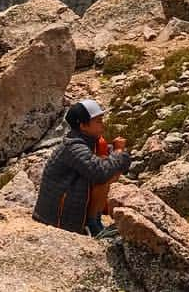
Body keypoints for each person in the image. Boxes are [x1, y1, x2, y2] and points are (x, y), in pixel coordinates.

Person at [32, 98, 132, 238]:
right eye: (98, 121)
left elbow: (121, 166)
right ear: (83, 126)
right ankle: (93, 223)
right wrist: (118, 152)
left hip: (71, 210)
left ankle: (93, 221)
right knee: (105, 168)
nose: (102, 125)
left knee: (109, 165)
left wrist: (118, 155)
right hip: (56, 219)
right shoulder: (73, 147)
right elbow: (100, 173)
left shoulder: (92, 143)